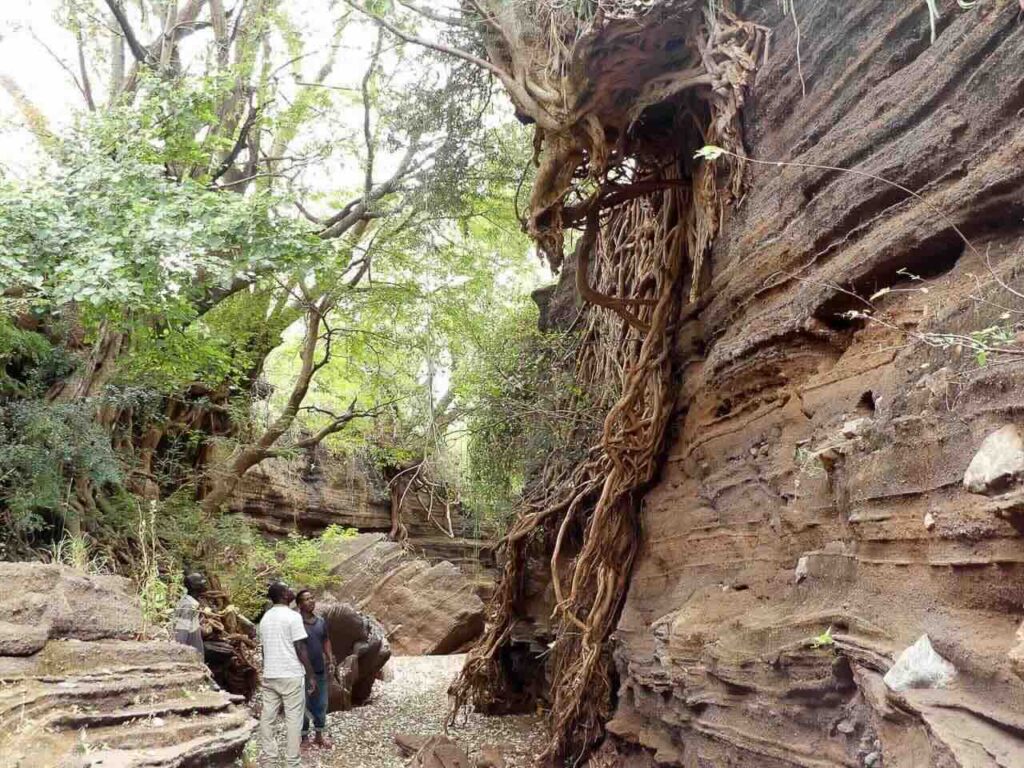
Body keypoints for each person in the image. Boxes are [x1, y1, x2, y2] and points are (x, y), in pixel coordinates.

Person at [259, 582, 316, 768]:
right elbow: (300, 647)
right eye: (289, 589)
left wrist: (266, 668)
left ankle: (270, 760)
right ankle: (292, 762)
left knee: (268, 718)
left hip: (270, 674)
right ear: (284, 595)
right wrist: (310, 674)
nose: (292, 591)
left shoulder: (265, 618)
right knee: (293, 719)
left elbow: (264, 649)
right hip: (291, 674)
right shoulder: (292, 617)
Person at [296, 589, 334, 750]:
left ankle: (319, 736)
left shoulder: (320, 621)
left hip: (319, 669)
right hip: (300, 671)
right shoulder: (296, 623)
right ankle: (304, 737)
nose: (311, 601)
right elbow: (298, 647)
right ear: (299, 604)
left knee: (321, 703)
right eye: (306, 599)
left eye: (312, 598)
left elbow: (326, 640)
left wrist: (330, 659)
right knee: (302, 704)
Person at [172, 572, 208, 656]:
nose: (205, 586)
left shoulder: (191, 603)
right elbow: (181, 634)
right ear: (195, 587)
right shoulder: (188, 606)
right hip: (191, 658)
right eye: (202, 584)